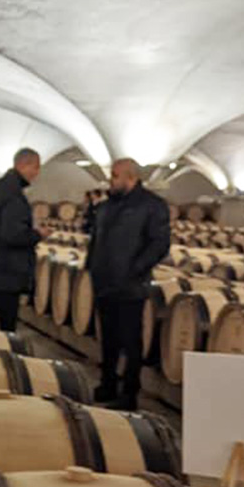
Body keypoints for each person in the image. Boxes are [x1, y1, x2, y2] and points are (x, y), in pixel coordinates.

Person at [86, 158, 170, 410]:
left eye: (114, 176)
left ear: (130, 177)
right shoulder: (108, 205)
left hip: (130, 284)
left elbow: (159, 244)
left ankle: (129, 392)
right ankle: (108, 382)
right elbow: (95, 237)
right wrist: (92, 267)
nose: (110, 181)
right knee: (108, 337)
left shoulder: (152, 205)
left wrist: (133, 270)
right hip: (104, 282)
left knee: (131, 341)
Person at [0, 148, 49, 331]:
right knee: (3, 330)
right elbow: (12, 235)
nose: (37, 173)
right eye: (35, 167)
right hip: (4, 276)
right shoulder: (13, 195)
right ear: (24, 164)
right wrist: (38, 235)